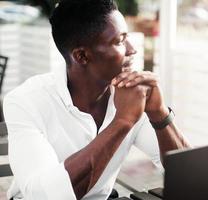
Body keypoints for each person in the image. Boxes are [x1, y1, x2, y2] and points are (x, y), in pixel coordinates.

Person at [3, 0, 190, 199]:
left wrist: (160, 114)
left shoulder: (131, 94)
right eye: (119, 41)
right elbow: (45, 196)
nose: (132, 50)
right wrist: (122, 122)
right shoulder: (25, 101)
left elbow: (189, 174)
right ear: (82, 56)